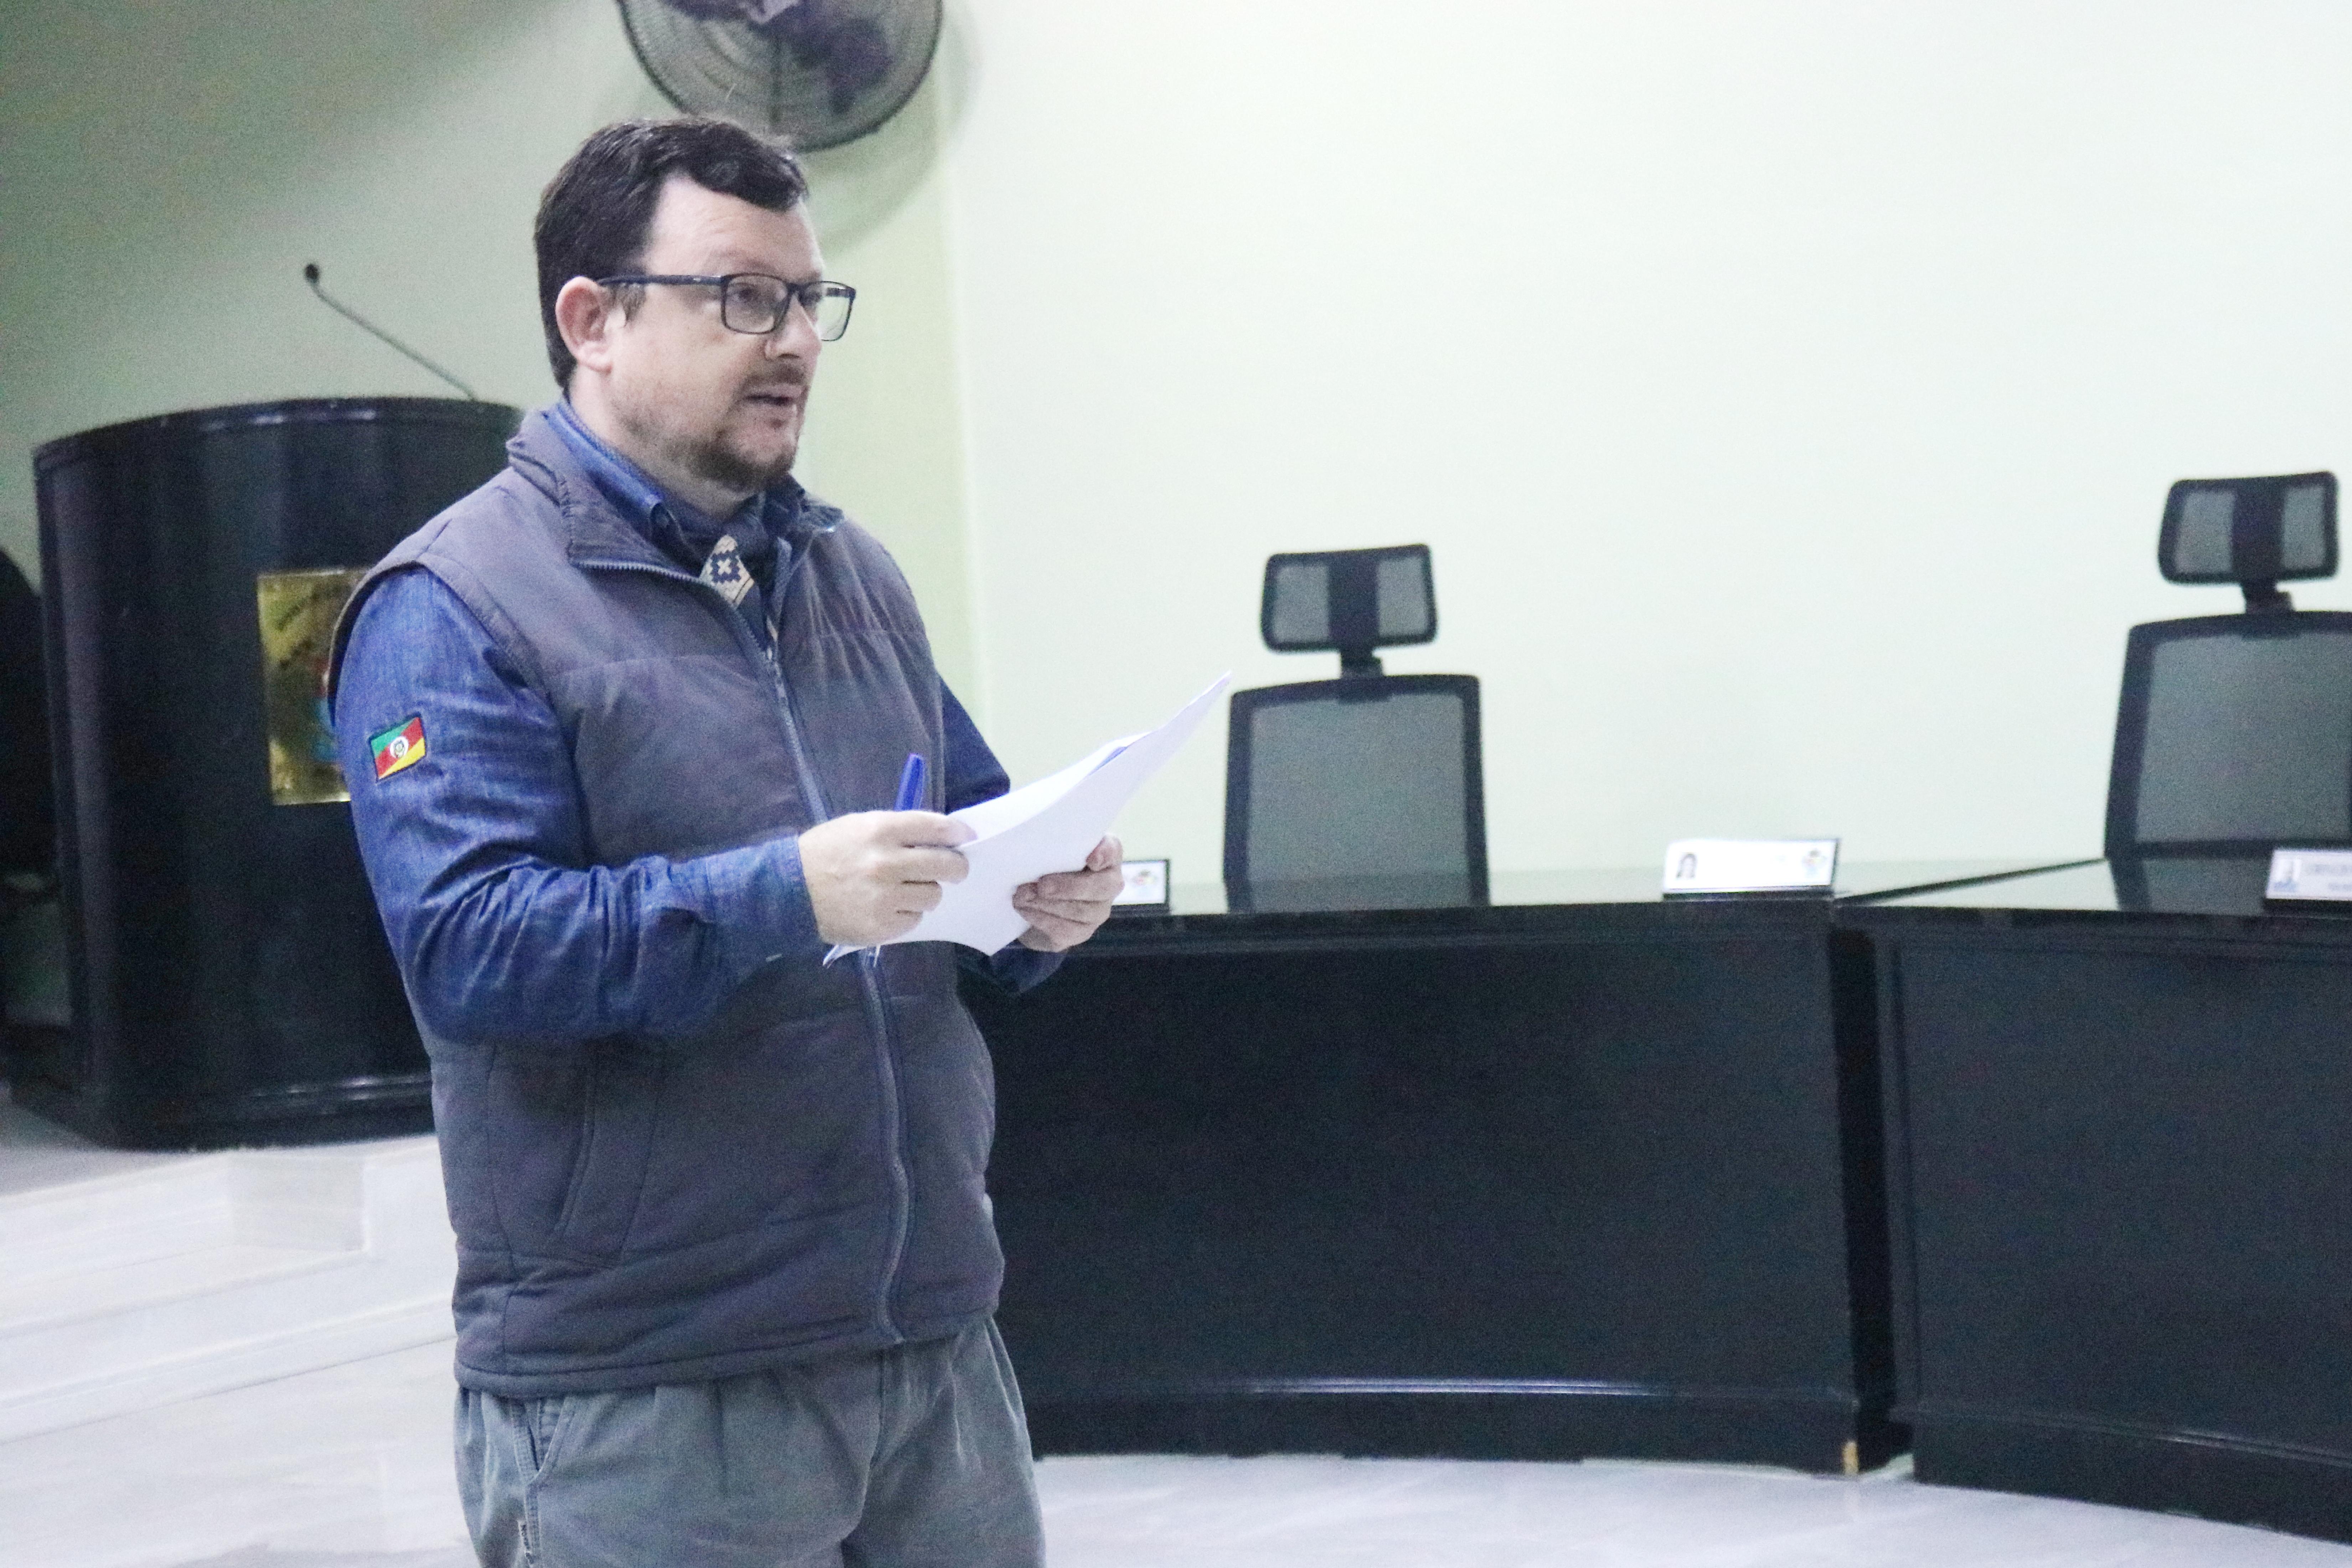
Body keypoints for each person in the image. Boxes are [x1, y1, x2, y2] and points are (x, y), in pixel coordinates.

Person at [327, 117, 1122, 1568]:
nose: (795, 341)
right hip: (651, 1386)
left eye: (809, 299)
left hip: (929, 1338)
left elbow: (965, 839)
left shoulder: (849, 572)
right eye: (742, 297)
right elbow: (472, 950)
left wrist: (1040, 904)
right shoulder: (454, 602)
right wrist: (787, 893)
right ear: (594, 320)